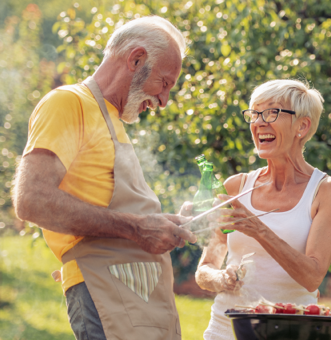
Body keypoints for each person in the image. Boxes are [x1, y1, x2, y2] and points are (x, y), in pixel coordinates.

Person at [13, 16, 196, 340]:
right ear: (136, 59)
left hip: (137, 293)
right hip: (103, 289)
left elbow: (108, 200)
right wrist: (137, 228)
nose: (164, 101)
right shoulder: (68, 103)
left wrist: (156, 222)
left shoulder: (112, 119)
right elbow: (32, 200)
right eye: (165, 83)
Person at [194, 79, 331, 339]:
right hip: (225, 331)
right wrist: (220, 278)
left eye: (272, 112)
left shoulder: (326, 191)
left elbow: (313, 276)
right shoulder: (236, 187)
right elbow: (205, 269)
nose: (258, 122)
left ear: (302, 126)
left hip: (290, 332)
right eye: (254, 114)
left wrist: (258, 229)